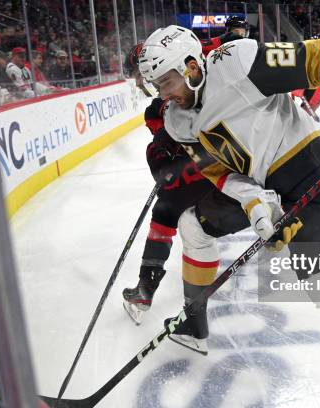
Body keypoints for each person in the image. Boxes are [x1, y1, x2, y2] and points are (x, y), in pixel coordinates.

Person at [139, 25, 320, 407]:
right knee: (193, 225)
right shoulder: (177, 121)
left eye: (167, 81)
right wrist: (256, 203)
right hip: (257, 184)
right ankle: (194, 319)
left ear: (192, 66)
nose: (164, 94)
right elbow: (218, 172)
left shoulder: (236, 62)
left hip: (306, 173)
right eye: (156, 86)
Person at [121, 42, 250, 355]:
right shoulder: (162, 102)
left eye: (140, 77)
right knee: (171, 213)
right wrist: (164, 153)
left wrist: (163, 154)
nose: (141, 83)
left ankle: (146, 290)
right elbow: (166, 131)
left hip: (212, 167)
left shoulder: (190, 79)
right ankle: (162, 298)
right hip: (207, 169)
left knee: (166, 212)